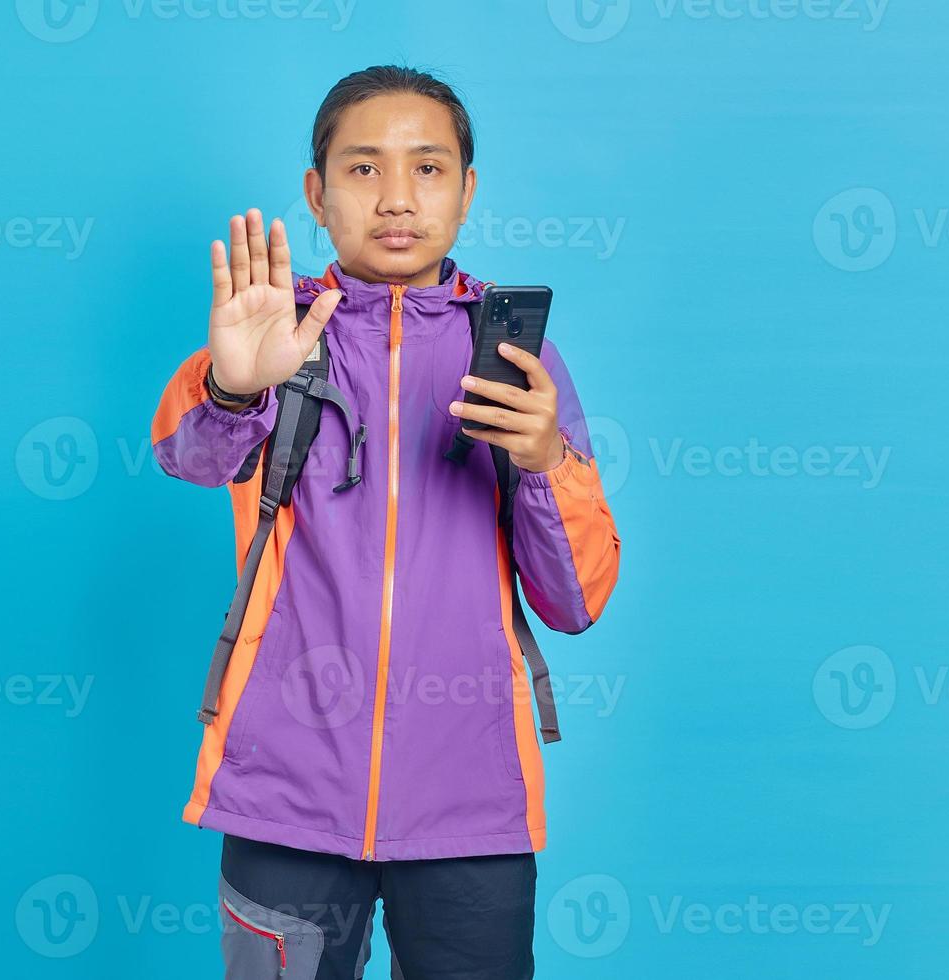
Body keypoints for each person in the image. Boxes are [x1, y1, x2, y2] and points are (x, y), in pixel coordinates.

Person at [151, 64, 621, 980]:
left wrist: (542, 462)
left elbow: (573, 600)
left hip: (472, 801)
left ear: (467, 191)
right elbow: (186, 456)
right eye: (364, 169)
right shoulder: (268, 333)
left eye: (429, 168)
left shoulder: (521, 360)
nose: (398, 198)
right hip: (282, 790)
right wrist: (233, 386)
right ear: (316, 193)